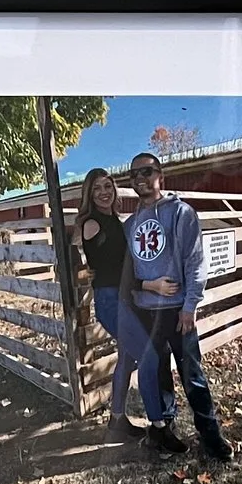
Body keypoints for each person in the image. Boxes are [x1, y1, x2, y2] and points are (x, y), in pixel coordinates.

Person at [122, 150, 233, 462]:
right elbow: (125, 270)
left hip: (177, 310)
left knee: (192, 374)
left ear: (161, 176)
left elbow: (195, 261)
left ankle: (211, 435)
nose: (140, 178)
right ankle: (166, 429)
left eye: (147, 171)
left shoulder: (181, 213)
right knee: (159, 374)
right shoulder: (130, 226)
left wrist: (190, 305)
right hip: (146, 312)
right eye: (134, 174)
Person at [72, 167, 151, 428]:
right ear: (89, 194)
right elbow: (78, 257)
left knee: (127, 357)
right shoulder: (91, 223)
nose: (103, 192)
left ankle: (117, 418)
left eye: (107, 186)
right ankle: (159, 422)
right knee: (148, 356)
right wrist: (83, 272)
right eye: (96, 188)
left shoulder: (114, 220)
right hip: (110, 300)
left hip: (124, 296)